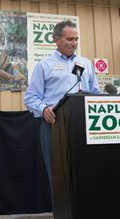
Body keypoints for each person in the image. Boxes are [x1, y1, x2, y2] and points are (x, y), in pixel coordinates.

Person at [24, 20, 100, 200]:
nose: (74, 43)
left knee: (85, 168)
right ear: (57, 40)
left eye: (76, 39)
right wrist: (44, 109)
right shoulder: (44, 65)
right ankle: (62, 213)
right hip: (54, 125)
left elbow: (95, 93)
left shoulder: (86, 64)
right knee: (57, 171)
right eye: (70, 39)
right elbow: (30, 97)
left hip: (84, 126)